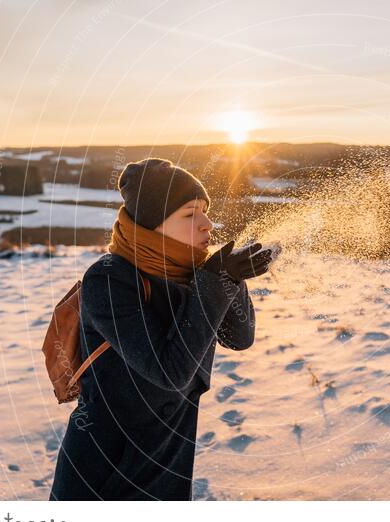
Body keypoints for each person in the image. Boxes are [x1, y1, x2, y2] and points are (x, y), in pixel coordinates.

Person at [49, 158, 272, 500]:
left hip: (168, 461)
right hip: (106, 469)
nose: (207, 223)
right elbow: (169, 372)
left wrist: (232, 278)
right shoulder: (109, 278)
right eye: (189, 214)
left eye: (205, 210)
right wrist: (215, 280)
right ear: (152, 225)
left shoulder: (191, 273)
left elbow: (239, 338)